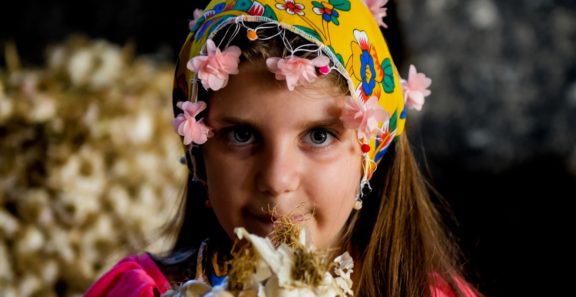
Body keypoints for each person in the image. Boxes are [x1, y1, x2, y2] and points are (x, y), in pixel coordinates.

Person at [84, 0, 480, 296]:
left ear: (369, 157)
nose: (275, 179)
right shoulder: (140, 291)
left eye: (319, 136)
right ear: (199, 155)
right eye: (241, 135)